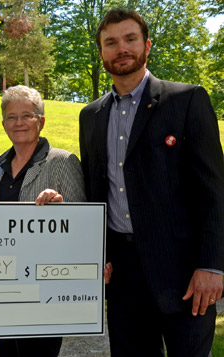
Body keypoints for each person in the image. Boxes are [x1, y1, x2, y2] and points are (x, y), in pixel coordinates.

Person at [79, 8, 224, 356]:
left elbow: (214, 192)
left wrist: (212, 266)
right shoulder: (90, 116)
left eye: (130, 39)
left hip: (185, 275)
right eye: (110, 43)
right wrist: (95, 254)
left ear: (147, 45)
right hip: (123, 276)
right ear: (101, 54)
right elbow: (95, 192)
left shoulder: (187, 100)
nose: (121, 48)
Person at [0, 85, 85, 356]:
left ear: (41, 121)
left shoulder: (62, 161)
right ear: (4, 123)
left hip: (44, 288)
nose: (18, 123)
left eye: (27, 115)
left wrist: (61, 206)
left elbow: (82, 224)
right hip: (2, 286)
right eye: (11, 116)